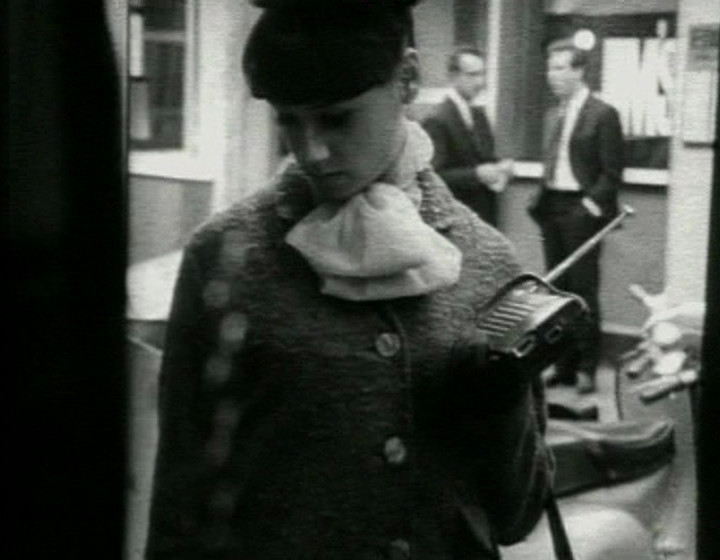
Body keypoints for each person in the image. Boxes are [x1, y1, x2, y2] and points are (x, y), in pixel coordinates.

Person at [145, 1, 552, 558]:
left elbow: (516, 514)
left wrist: (501, 399)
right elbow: (181, 500)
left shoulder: (489, 261)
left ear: (407, 78)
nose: (311, 150)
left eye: (336, 118)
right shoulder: (224, 255)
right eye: (288, 120)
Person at [528, 37, 625, 395]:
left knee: (583, 291)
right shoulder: (553, 115)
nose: (551, 76)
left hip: (582, 211)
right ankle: (562, 364)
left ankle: (586, 366)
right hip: (552, 207)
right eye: (549, 68)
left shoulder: (603, 114)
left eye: (559, 68)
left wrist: (589, 208)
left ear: (579, 70)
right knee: (556, 291)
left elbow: (612, 174)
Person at [421, 46, 513, 227]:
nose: (480, 82)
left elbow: (485, 158)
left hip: (484, 218)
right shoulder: (437, 120)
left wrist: (501, 168)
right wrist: (476, 175)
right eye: (472, 75)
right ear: (453, 77)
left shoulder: (479, 115)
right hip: (456, 221)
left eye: (482, 74)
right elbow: (434, 177)